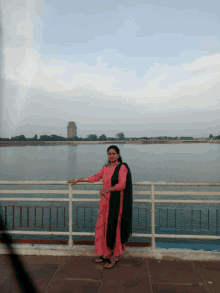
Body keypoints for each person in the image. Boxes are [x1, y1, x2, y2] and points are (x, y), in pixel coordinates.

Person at [66, 145, 133, 269]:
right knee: (103, 227)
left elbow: (122, 184)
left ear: (118, 155)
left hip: (116, 203)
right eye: (109, 153)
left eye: (113, 153)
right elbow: (95, 177)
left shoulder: (122, 167)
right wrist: (78, 180)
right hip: (105, 203)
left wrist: (107, 189)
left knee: (115, 228)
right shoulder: (106, 168)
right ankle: (106, 254)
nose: (111, 155)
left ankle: (114, 256)